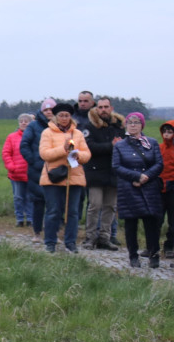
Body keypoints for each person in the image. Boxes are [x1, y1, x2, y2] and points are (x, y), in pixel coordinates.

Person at [113, 113, 164, 268]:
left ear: (142, 125)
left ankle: (154, 254)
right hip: (128, 188)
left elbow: (159, 164)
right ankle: (133, 256)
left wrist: (146, 176)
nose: (133, 125)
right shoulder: (120, 145)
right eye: (130, 122)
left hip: (149, 187)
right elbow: (116, 166)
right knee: (131, 224)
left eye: (136, 122)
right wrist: (136, 176)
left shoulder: (152, 143)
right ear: (126, 125)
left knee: (151, 223)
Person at [39, 103, 90, 253]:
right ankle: (50, 241)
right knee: (53, 211)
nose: (64, 118)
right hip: (53, 177)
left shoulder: (78, 134)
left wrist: (78, 155)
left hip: (74, 177)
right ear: (56, 117)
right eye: (61, 115)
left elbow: (87, 154)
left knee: (72, 212)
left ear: (71, 117)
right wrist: (63, 149)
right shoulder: (47, 133)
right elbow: (45, 154)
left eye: (67, 115)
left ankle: (70, 241)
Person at [82, 97, 123, 251]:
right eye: (100, 107)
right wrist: (111, 146)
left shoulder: (118, 126)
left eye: (106, 107)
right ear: (96, 109)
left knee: (110, 207)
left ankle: (105, 237)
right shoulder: (89, 127)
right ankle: (90, 237)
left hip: (113, 172)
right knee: (95, 205)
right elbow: (90, 147)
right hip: (95, 173)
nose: (103, 110)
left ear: (111, 108)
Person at [20, 98, 55, 243]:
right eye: (46, 110)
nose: (49, 112)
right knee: (38, 203)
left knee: (54, 204)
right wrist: (33, 161)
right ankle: (37, 233)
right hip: (37, 170)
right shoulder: (33, 126)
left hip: (55, 170)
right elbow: (24, 144)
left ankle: (52, 233)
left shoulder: (60, 126)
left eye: (51, 109)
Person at [2, 114, 33, 227]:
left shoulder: (34, 136)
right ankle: (19, 218)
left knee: (30, 197)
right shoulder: (11, 137)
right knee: (18, 197)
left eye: (26, 121)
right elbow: (6, 153)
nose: (23, 123)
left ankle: (30, 218)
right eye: (21, 121)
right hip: (16, 173)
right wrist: (11, 167)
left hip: (30, 173)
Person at [158, 120, 174, 258]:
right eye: (164, 132)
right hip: (159, 187)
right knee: (156, 219)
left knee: (173, 221)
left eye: (170, 132)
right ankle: (153, 246)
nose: (166, 134)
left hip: (172, 188)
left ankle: (169, 246)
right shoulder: (159, 148)